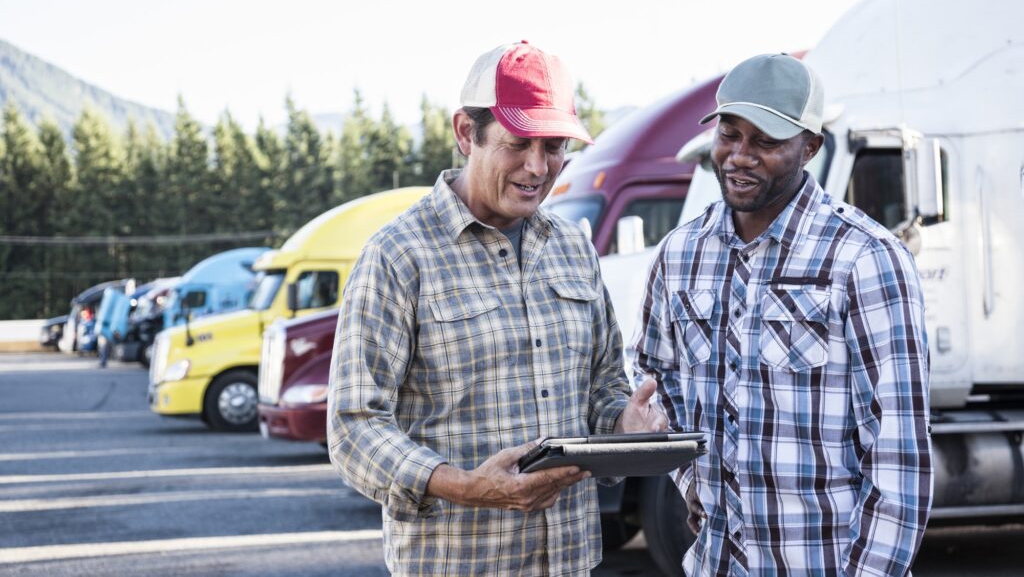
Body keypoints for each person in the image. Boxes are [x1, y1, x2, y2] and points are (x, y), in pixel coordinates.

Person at [327, 41, 667, 576]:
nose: (538, 166)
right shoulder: (398, 256)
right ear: (466, 132)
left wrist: (625, 424)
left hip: (570, 560)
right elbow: (354, 427)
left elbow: (602, 384)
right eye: (518, 143)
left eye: (553, 145)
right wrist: (465, 487)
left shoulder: (574, 248)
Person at [632, 54, 932, 576]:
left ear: (810, 147)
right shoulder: (681, 254)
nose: (739, 156)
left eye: (766, 142)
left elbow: (898, 456)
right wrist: (692, 478)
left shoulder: (864, 258)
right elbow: (656, 378)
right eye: (730, 134)